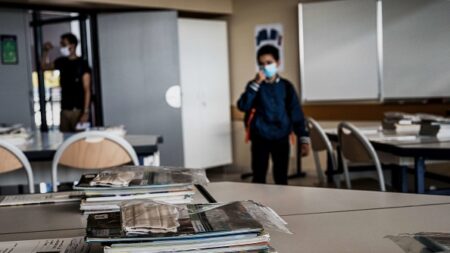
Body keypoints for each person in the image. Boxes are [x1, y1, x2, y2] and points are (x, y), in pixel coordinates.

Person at [237, 44, 310, 185]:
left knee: (281, 178)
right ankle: (257, 207)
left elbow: (296, 114)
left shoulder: (286, 87)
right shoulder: (254, 85)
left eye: (269, 63)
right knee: (258, 177)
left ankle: (281, 206)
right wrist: (256, 83)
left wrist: (304, 139)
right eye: (261, 64)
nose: (265, 67)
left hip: (281, 138)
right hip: (260, 138)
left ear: (278, 63)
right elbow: (243, 105)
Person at [42, 33, 91, 132]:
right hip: (64, 109)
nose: (61, 47)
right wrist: (46, 51)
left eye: (64, 44)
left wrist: (85, 112)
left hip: (78, 110)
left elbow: (87, 89)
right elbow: (44, 66)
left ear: (72, 46)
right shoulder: (61, 61)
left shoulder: (82, 64)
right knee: (65, 141)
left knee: (79, 141)